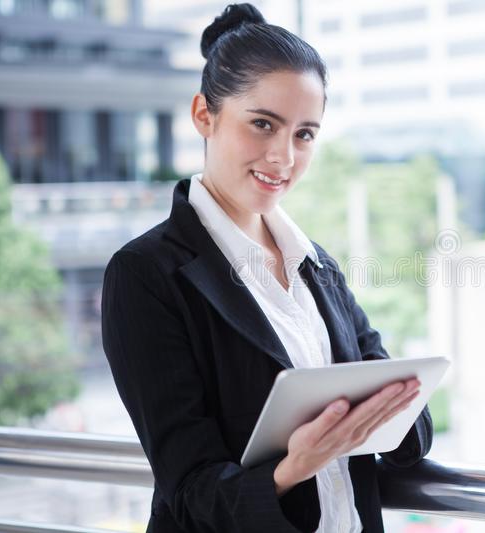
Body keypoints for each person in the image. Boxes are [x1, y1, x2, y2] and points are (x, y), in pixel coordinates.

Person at [99, 3, 433, 532]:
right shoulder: (145, 274)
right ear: (204, 115)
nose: (283, 157)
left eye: (304, 134)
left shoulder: (315, 263)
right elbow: (188, 492)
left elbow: (404, 422)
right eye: (262, 124)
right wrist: (294, 466)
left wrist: (397, 405)